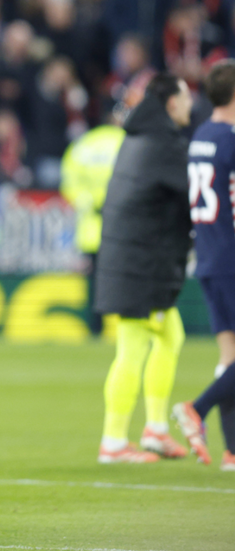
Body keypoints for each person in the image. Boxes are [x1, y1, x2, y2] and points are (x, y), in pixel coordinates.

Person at [94, 73, 193, 464]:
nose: (190, 105)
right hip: (142, 264)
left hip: (133, 259)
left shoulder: (139, 138)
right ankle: (114, 442)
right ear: (170, 102)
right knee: (133, 347)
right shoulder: (163, 145)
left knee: (171, 337)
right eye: (186, 97)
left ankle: (155, 429)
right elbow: (195, 193)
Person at [172, 59, 235, 470]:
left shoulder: (201, 137)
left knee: (230, 358)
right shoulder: (231, 139)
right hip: (231, 256)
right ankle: (196, 408)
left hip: (208, 256)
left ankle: (232, 450)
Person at [59, 118, 126, 336]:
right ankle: (123, 328)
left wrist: (88, 202)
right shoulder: (124, 141)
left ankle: (94, 328)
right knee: (124, 279)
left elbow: (68, 184)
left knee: (94, 284)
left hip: (90, 230)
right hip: (121, 228)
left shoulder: (82, 145)